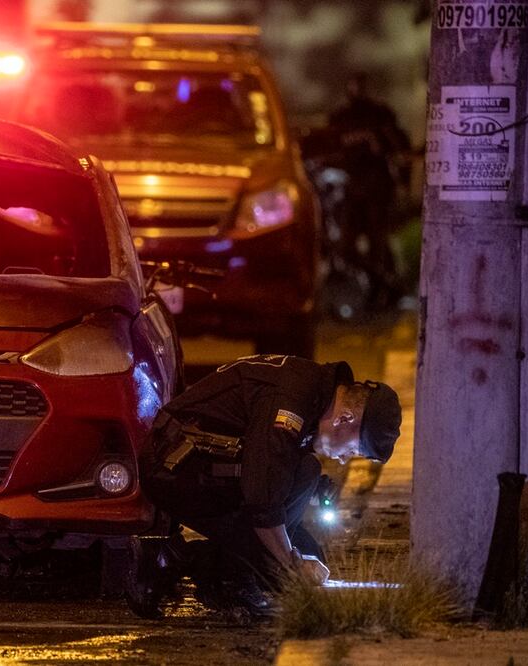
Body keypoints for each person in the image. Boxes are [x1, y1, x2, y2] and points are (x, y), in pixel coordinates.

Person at [129, 354, 402, 616]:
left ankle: (216, 566)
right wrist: (292, 564)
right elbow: (262, 498)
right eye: (352, 450)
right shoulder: (291, 400)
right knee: (283, 567)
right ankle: (185, 565)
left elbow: (272, 462)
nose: (344, 461)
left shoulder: (315, 389)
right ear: (344, 418)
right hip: (174, 468)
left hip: (206, 466)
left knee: (310, 550)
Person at [326, 73, 410, 309]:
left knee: (377, 244)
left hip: (376, 191)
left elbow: (399, 147)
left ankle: (382, 289)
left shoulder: (379, 116)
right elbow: (329, 148)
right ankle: (373, 284)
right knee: (346, 246)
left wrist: (401, 181)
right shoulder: (341, 118)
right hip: (351, 192)